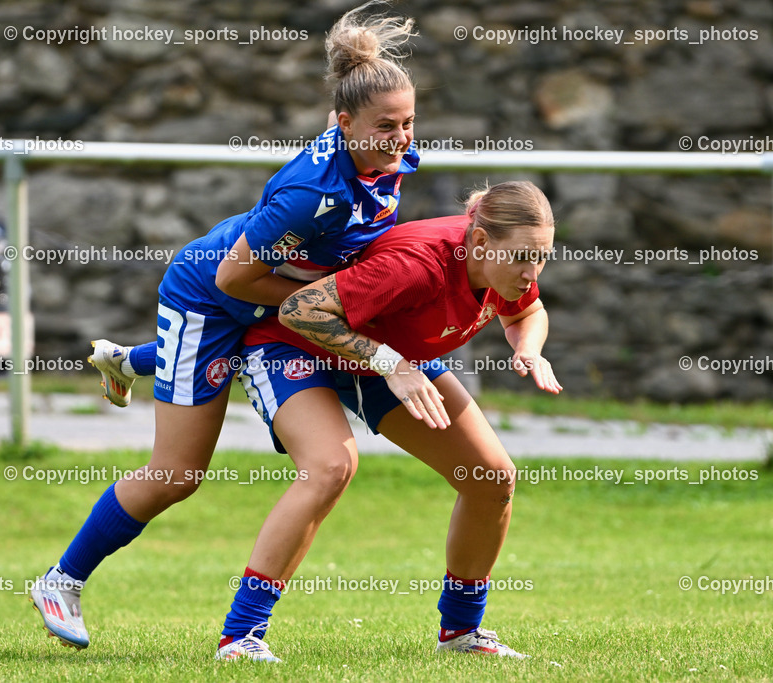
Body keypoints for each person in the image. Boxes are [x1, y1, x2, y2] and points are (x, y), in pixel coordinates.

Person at [31, 0, 422, 655]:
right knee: (179, 474)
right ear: (342, 122)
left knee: (308, 445)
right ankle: (59, 580)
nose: (402, 138)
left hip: (257, 304)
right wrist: (323, 296)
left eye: (409, 123)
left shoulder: (387, 157)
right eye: (387, 126)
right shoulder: (312, 194)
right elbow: (233, 281)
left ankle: (129, 361)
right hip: (208, 300)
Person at [218, 180, 560, 661]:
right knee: (330, 468)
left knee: (490, 477)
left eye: (542, 257)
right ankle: (241, 636)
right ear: (480, 242)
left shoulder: (505, 259)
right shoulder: (418, 268)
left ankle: (461, 632)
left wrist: (528, 348)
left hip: (385, 353)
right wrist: (392, 365)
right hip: (295, 344)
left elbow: (530, 311)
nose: (532, 272)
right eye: (524, 257)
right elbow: (300, 309)